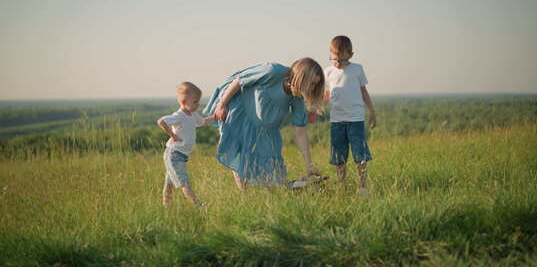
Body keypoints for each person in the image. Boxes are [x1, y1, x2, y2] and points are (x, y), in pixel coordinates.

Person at [203, 58, 324, 190]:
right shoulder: (272, 71)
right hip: (239, 111)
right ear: (301, 77)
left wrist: (309, 165)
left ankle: (289, 189)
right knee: (239, 154)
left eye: (315, 86)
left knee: (272, 175)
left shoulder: (297, 97)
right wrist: (221, 104)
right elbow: (239, 80)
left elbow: (300, 132)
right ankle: (245, 196)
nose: (312, 89)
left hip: (264, 126)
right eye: (311, 84)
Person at [323, 35, 376, 196]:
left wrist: (372, 111)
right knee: (339, 158)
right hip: (337, 121)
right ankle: (342, 186)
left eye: (342, 60)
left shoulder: (357, 69)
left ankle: (362, 187)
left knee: (360, 156)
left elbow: (363, 92)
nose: (338, 64)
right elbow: (326, 94)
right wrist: (315, 107)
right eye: (334, 60)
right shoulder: (327, 72)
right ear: (331, 55)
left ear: (350, 55)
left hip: (355, 120)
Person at [157, 82, 215, 207]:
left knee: (169, 184)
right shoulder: (179, 115)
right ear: (183, 102)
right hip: (173, 155)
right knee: (184, 182)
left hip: (181, 156)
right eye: (195, 102)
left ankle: (166, 207)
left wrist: (216, 117)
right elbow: (161, 121)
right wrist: (173, 136)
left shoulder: (193, 115)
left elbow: (203, 122)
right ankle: (198, 205)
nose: (198, 105)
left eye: (198, 101)